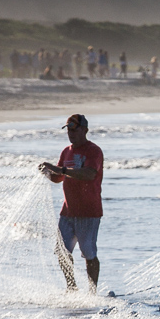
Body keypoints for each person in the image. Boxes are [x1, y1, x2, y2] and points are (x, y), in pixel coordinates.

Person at [39, 114, 104, 293]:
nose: (71, 133)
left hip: (89, 212)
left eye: (74, 129)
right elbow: (59, 178)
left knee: (89, 254)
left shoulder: (94, 151)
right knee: (62, 252)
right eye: (68, 129)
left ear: (85, 130)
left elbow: (89, 174)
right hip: (67, 212)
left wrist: (63, 170)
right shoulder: (66, 151)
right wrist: (48, 173)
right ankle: (72, 288)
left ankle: (92, 292)